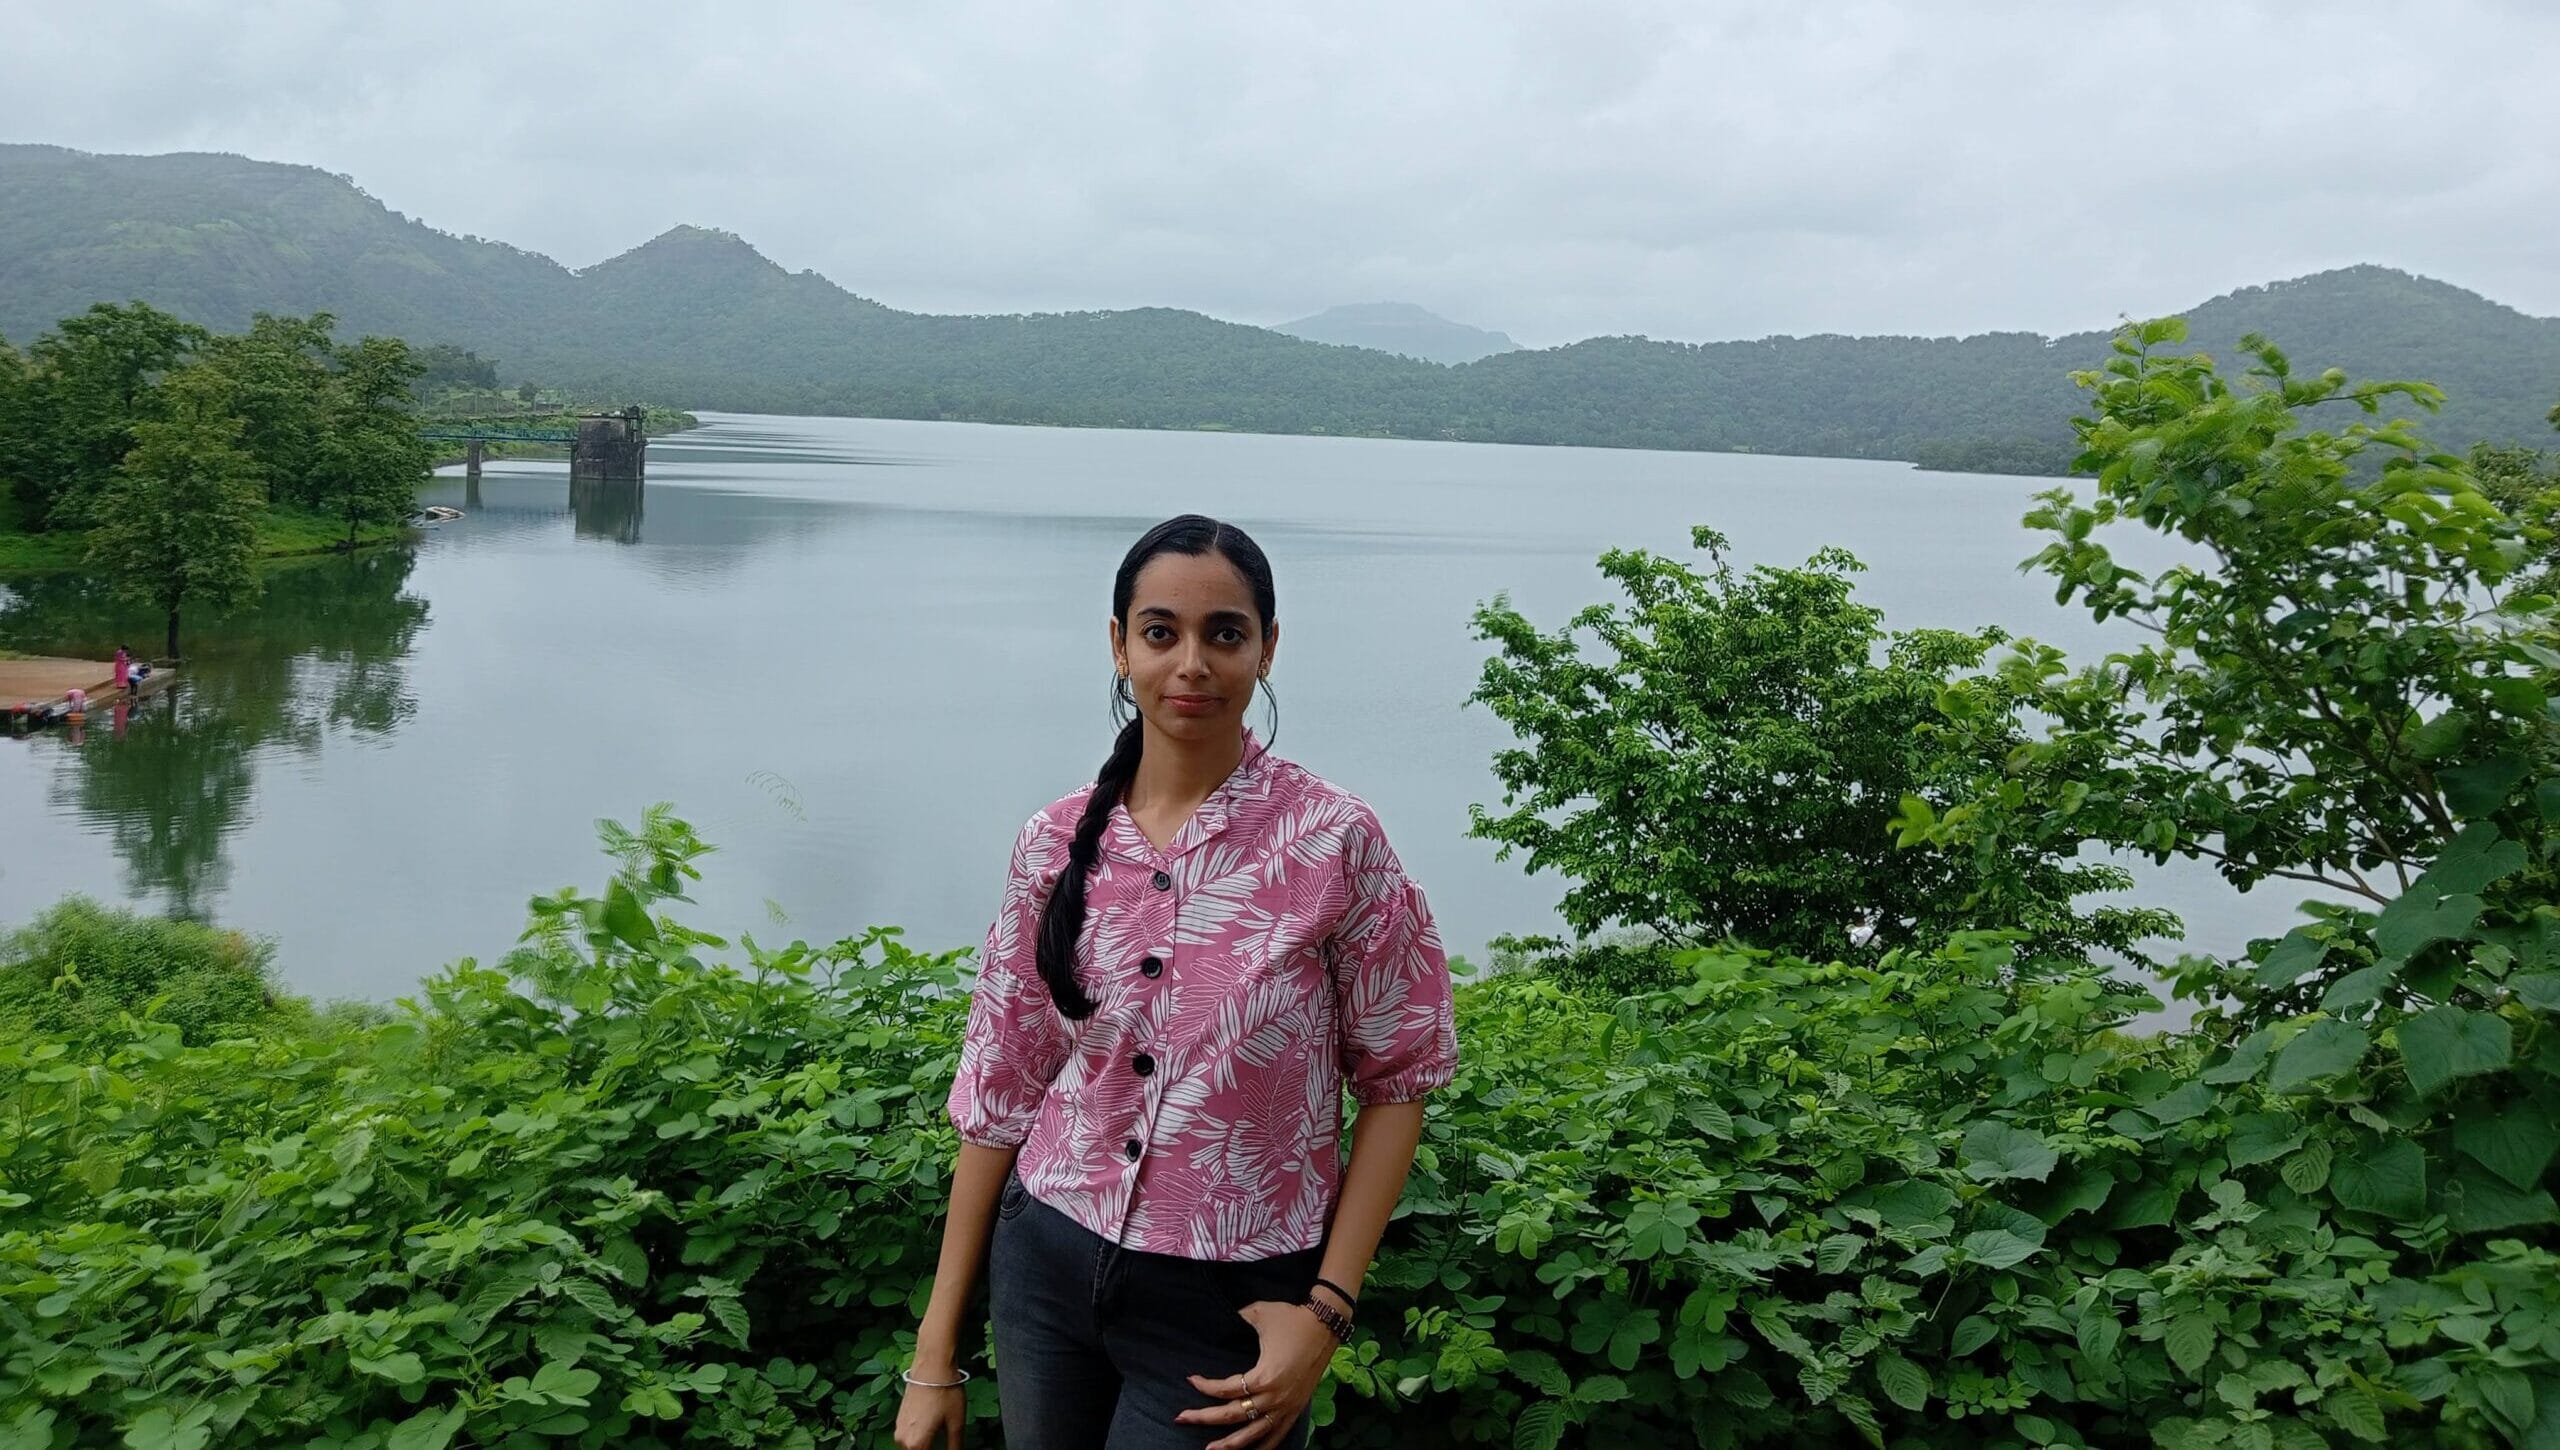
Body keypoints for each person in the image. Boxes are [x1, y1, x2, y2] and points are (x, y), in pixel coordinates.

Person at [895, 516, 1458, 1450]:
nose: (1191, 662)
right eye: (1161, 633)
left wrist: (1326, 1312)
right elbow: (1001, 1092)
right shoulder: (1055, 842)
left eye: (1224, 634)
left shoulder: (1334, 843)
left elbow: (1400, 1079)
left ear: (1268, 649)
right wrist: (934, 1350)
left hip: (1229, 1304)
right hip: (1045, 1268)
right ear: (1119, 645)